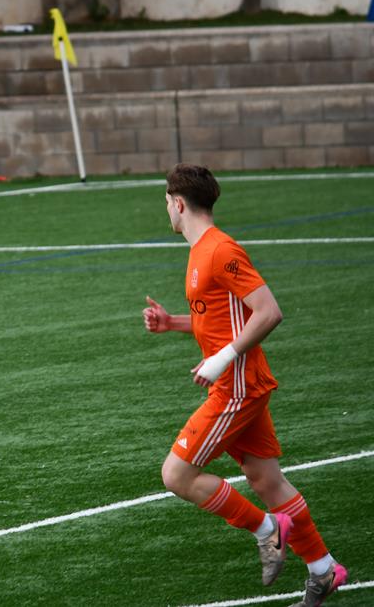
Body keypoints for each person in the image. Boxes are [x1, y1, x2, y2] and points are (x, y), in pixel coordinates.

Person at [142, 164, 347, 606]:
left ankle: (268, 529)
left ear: (178, 203)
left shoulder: (220, 250)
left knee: (176, 474)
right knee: (266, 479)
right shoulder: (200, 252)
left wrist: (222, 359)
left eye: (166, 202)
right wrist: (172, 322)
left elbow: (268, 311)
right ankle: (323, 569)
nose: (167, 210)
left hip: (237, 388)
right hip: (240, 381)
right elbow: (221, 318)